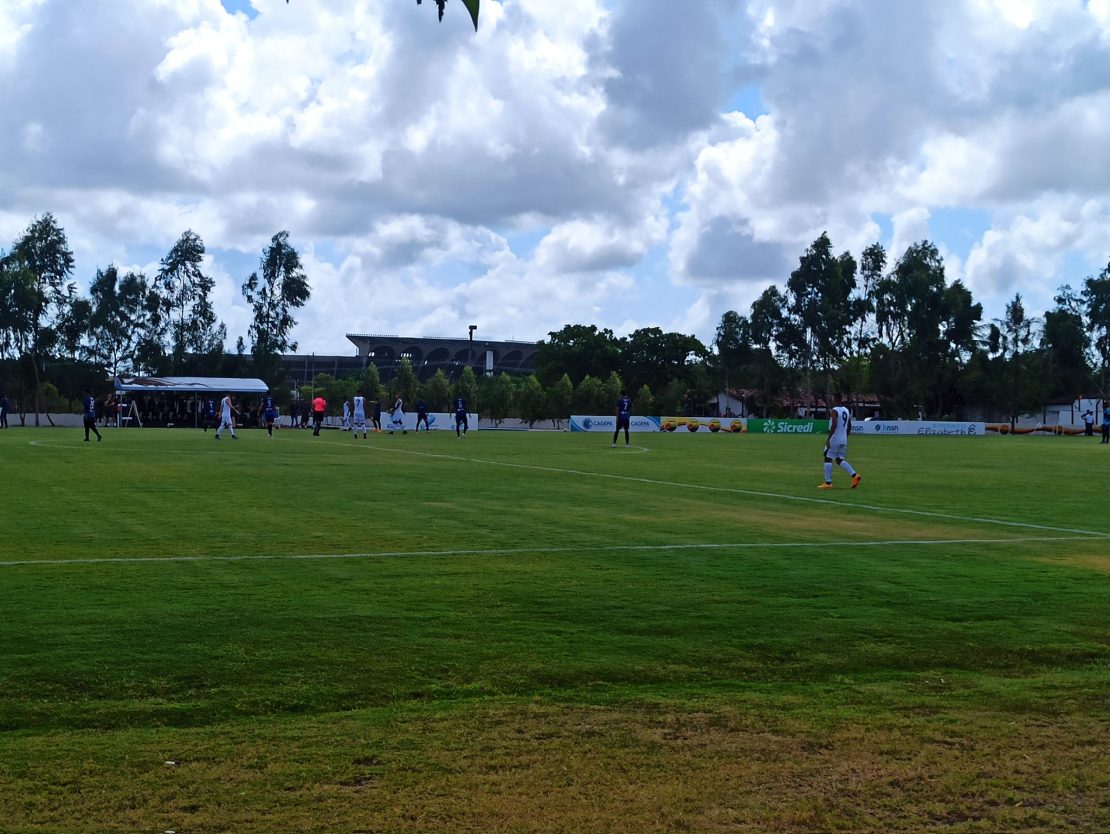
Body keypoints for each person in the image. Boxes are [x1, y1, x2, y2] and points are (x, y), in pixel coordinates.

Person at [819, 402, 860, 489]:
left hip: (835, 438)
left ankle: (828, 483)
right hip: (843, 439)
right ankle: (855, 475)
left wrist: (828, 439)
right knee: (839, 459)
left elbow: (834, 425)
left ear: (835, 399)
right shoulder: (846, 410)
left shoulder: (834, 411)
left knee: (827, 457)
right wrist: (845, 437)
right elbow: (849, 426)